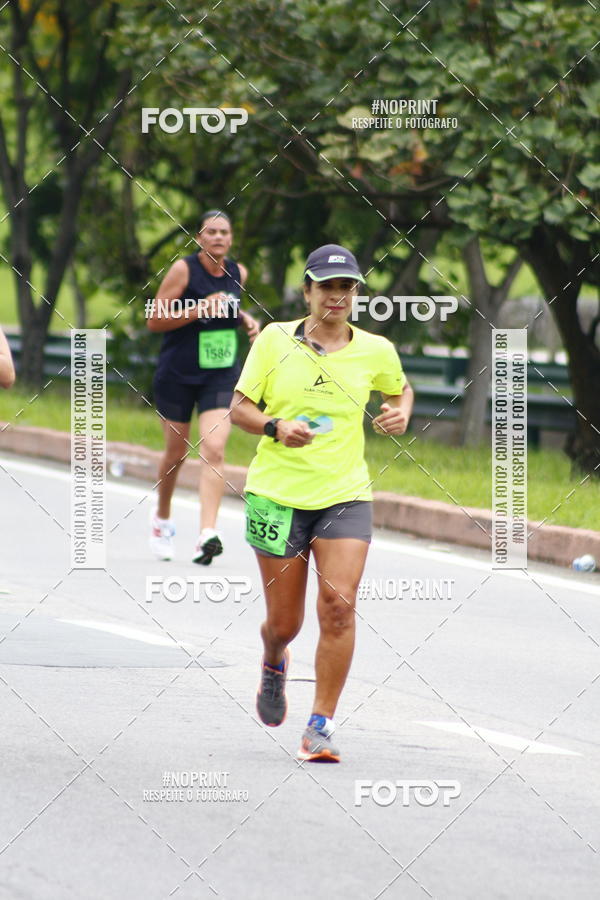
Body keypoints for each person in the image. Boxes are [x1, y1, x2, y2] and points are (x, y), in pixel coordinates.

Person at [230, 244, 414, 762]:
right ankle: (273, 657)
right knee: (284, 624)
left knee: (338, 607)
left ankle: (320, 725)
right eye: (326, 287)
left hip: (345, 494)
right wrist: (275, 425)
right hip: (278, 494)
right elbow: (239, 409)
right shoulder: (273, 340)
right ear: (307, 291)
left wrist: (399, 413)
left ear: (356, 293)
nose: (337, 297)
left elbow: (400, 390)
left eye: (346, 288)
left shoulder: (376, 349)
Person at [147, 210, 259, 563]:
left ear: (231, 238)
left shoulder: (238, 272)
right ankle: (162, 518)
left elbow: (230, 308)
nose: (218, 238)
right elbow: (154, 319)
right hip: (178, 374)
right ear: (199, 238)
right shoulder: (184, 270)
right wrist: (197, 308)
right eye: (211, 232)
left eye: (224, 232)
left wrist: (246, 320)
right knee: (176, 454)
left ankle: (206, 534)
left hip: (219, 374)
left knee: (214, 447)